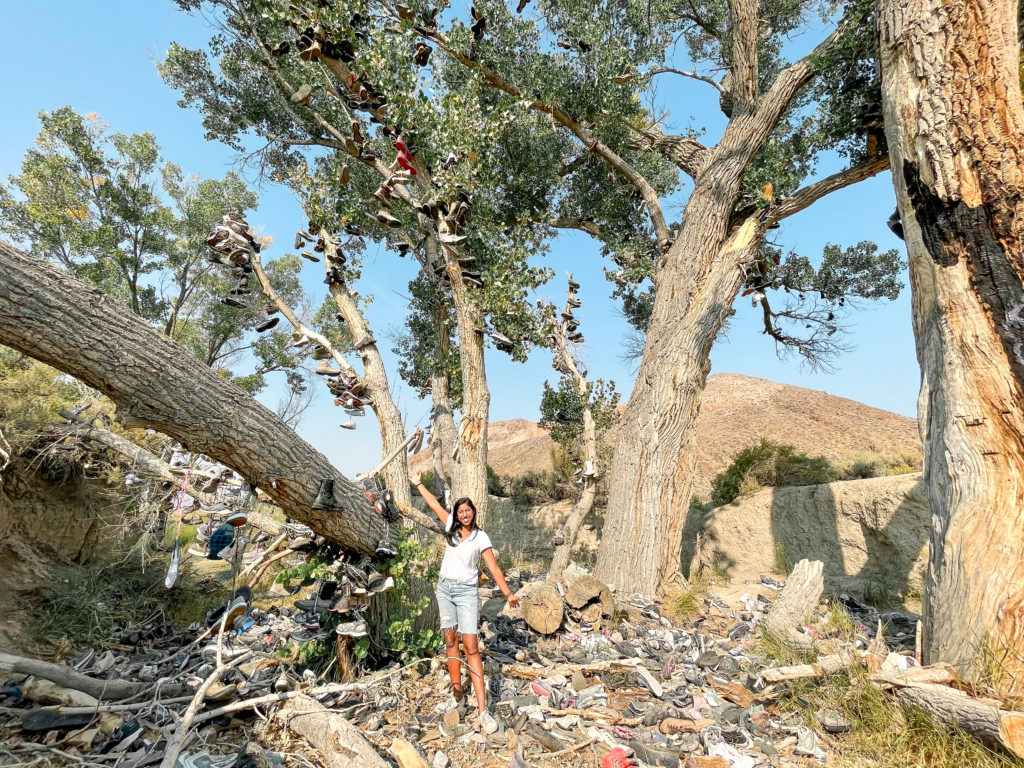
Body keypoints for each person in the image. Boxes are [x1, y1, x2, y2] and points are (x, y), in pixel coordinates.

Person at [411, 477, 520, 731]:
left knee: (470, 644)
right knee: (450, 640)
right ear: (457, 515)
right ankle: (458, 697)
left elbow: (492, 567)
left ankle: (483, 711)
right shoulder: (450, 525)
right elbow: (434, 505)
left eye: (468, 510)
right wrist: (418, 484)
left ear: (473, 512)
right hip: (445, 589)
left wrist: (508, 594)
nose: (464, 514)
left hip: (467, 593)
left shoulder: (481, 537)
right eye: (460, 511)